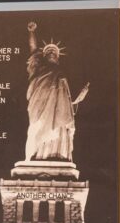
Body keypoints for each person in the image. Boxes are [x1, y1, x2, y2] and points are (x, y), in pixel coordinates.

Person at [24, 21, 89, 163]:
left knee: (59, 127)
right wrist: (32, 32)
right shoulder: (38, 69)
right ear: (44, 56)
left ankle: (56, 154)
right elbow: (33, 50)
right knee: (38, 127)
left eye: (55, 52)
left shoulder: (61, 74)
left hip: (59, 113)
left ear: (58, 57)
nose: (52, 53)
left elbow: (67, 102)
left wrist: (79, 98)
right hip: (40, 106)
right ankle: (37, 154)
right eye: (48, 52)